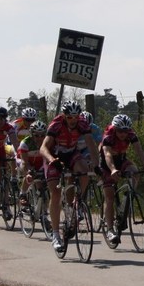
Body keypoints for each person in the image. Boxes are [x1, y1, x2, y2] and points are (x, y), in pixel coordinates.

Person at [41, 101, 99, 252]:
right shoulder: (56, 124)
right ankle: (55, 235)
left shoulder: (82, 123)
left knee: (84, 171)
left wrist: (96, 163)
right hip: (54, 155)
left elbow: (91, 144)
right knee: (55, 192)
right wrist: (52, 160)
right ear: (64, 116)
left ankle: (78, 202)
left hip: (71, 153)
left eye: (75, 117)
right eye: (69, 117)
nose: (73, 120)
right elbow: (43, 147)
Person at [98, 113, 144, 245]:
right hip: (107, 164)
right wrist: (113, 170)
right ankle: (110, 230)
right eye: (120, 131)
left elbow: (139, 151)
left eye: (125, 131)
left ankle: (126, 199)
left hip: (121, 160)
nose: (123, 134)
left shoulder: (131, 135)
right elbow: (107, 154)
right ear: (115, 129)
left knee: (135, 172)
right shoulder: (108, 136)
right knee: (110, 197)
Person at [17, 120, 49, 206]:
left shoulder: (47, 142)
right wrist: (27, 173)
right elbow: (25, 162)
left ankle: (42, 207)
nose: (40, 138)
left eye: (42, 135)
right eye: (36, 135)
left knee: (42, 186)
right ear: (31, 134)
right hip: (25, 161)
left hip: (40, 163)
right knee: (30, 175)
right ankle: (23, 194)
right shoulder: (25, 143)